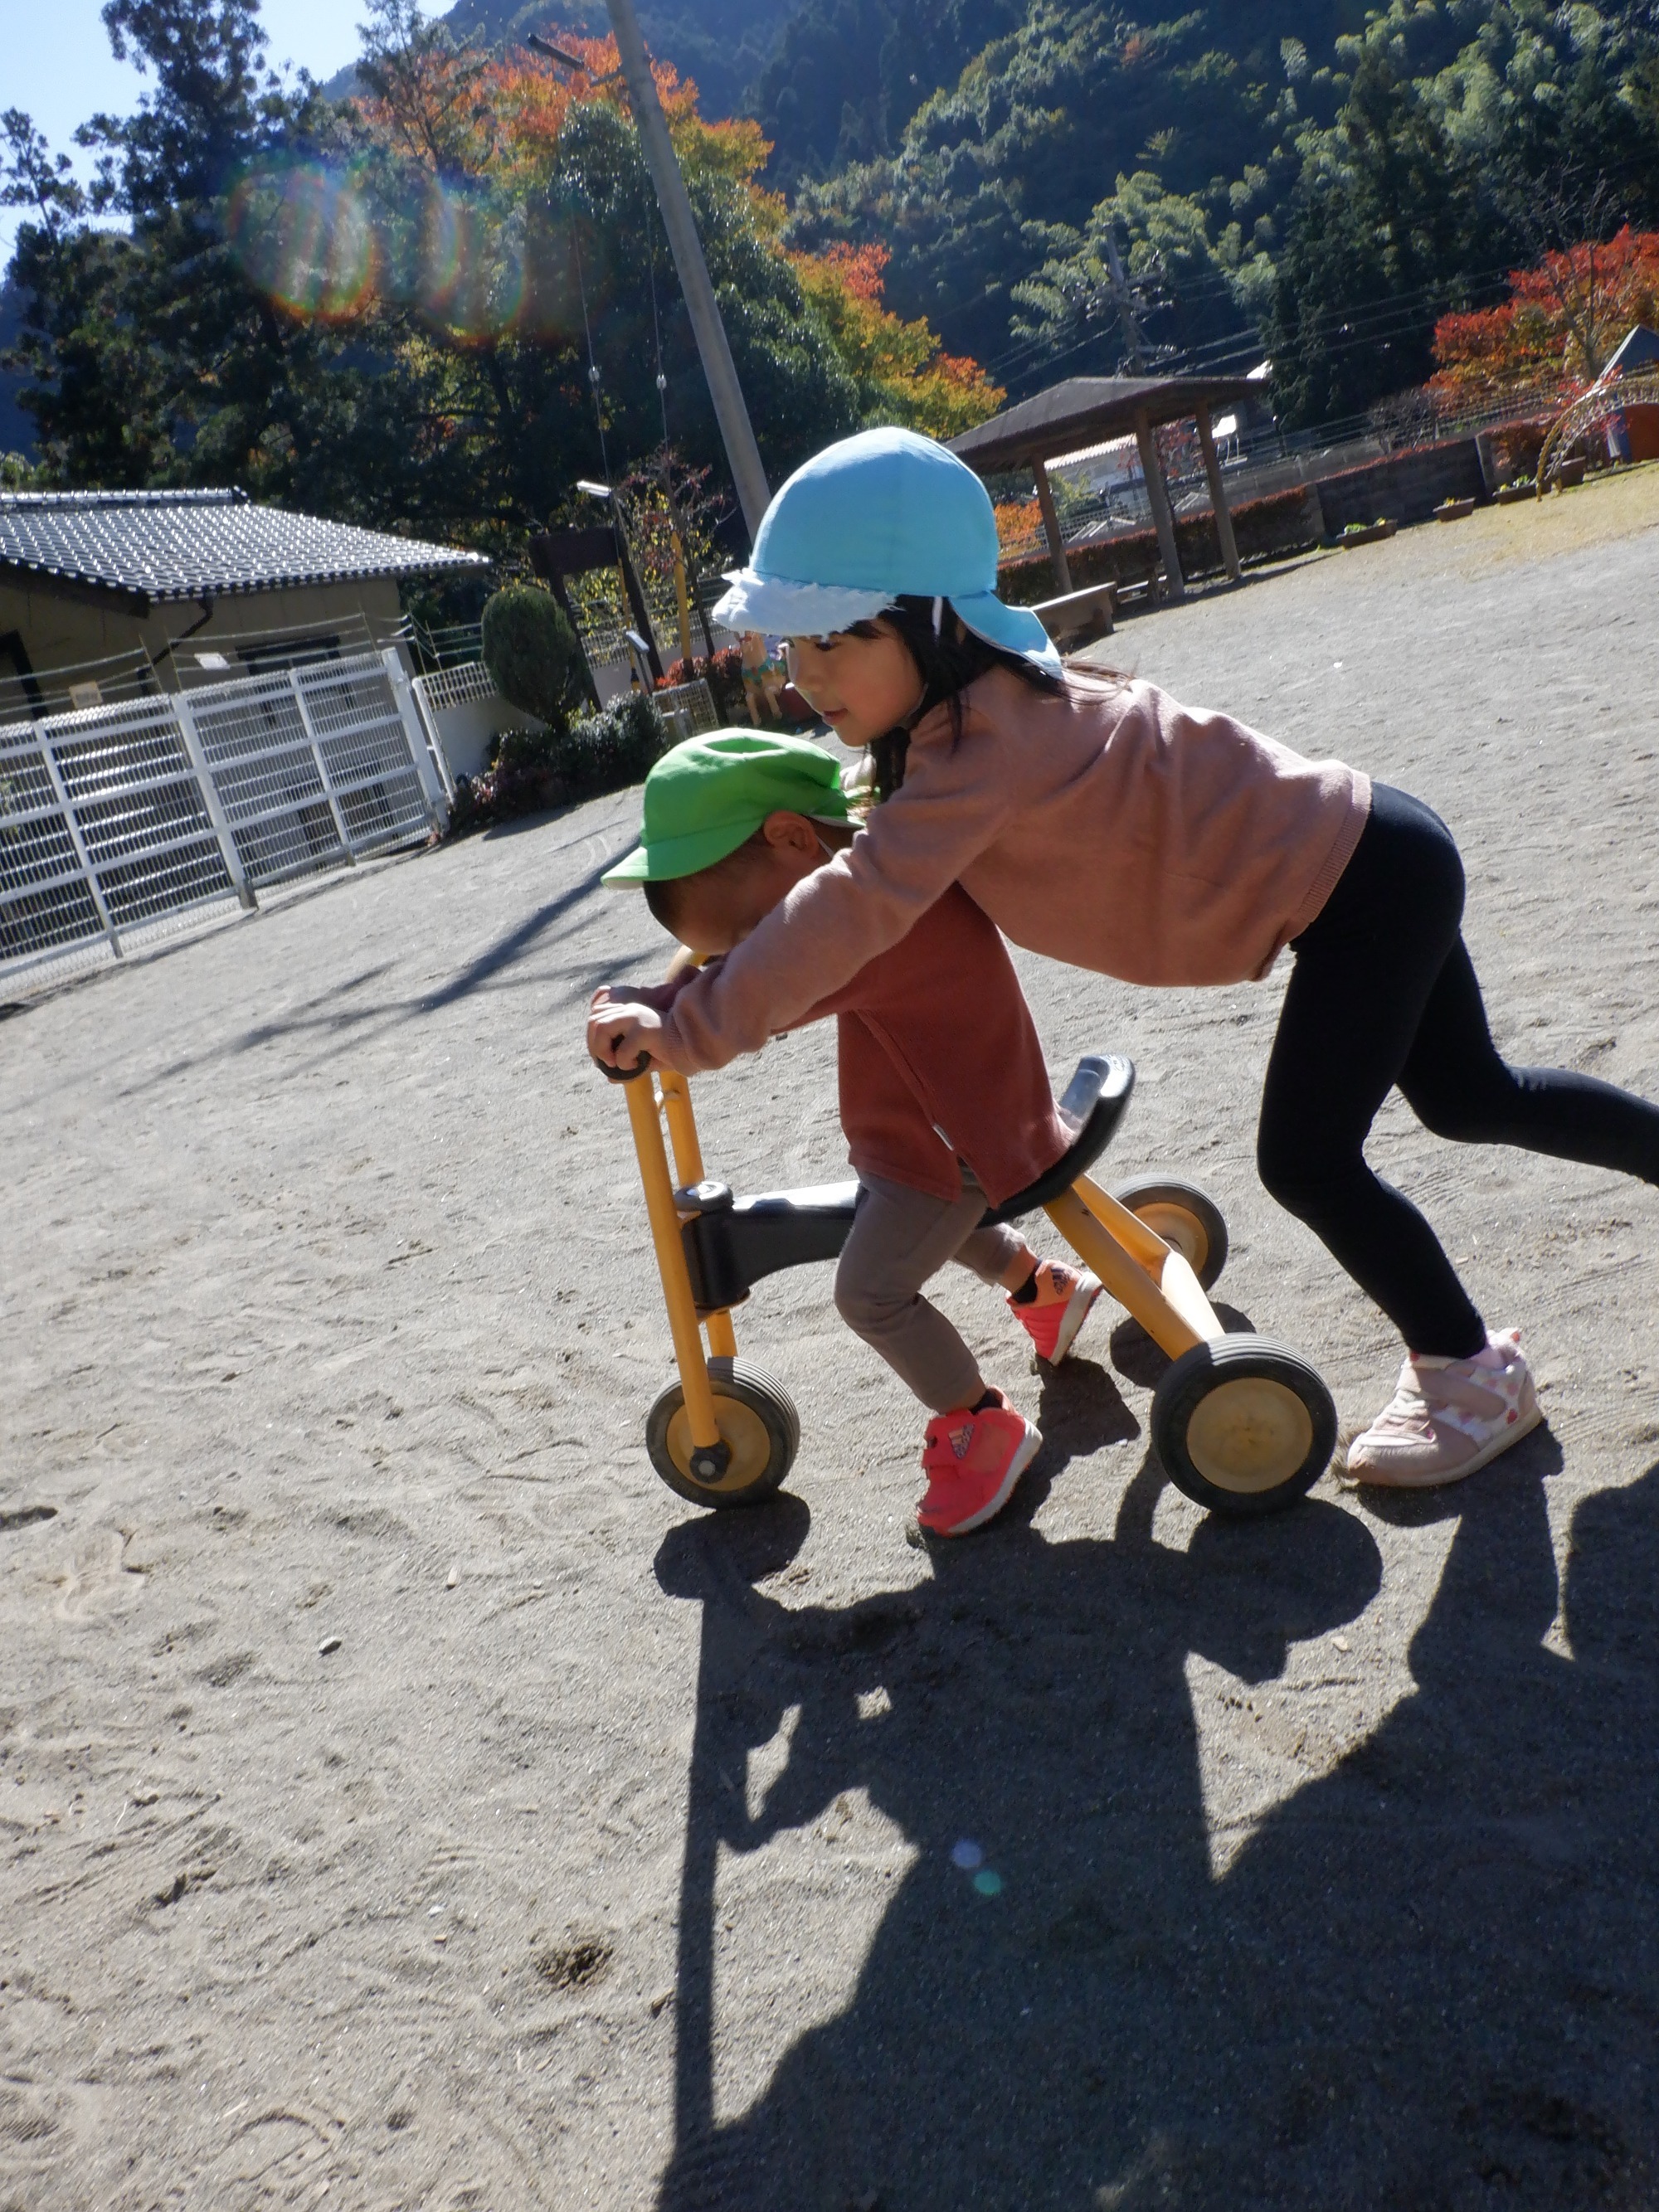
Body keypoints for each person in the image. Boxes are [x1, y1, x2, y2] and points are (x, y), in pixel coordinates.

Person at [591, 427, 1659, 1490]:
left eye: (830, 639)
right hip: (1378, 853)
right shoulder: (964, 724)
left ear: (930, 623)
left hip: (1359, 888)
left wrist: (689, 1027)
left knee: (1310, 1160)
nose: (799, 675)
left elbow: (850, 903)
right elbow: (840, 881)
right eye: (789, 645)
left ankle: (1468, 1377)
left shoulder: (979, 752)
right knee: (1471, 1097)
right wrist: (678, 990)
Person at [591, 727, 1103, 1538]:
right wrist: (655, 1000)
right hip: (944, 1127)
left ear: (791, 839)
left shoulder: (857, 917)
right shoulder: (872, 877)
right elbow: (746, 968)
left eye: (752, 928)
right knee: (910, 1217)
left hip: (956, 1143)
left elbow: (753, 996)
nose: (753, 949)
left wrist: (668, 1027)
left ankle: (979, 1422)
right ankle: (1043, 1289)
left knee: (869, 1290)